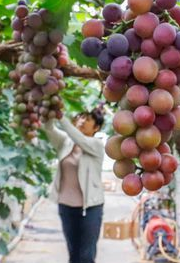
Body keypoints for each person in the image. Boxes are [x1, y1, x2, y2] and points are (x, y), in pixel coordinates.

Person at [43, 108, 106, 263]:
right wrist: (49, 111)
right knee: (73, 253)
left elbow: (81, 140)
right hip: (66, 205)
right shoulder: (65, 141)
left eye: (88, 120)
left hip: (91, 207)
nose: (82, 121)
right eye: (81, 117)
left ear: (96, 128)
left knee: (87, 255)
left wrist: (61, 117)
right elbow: (48, 128)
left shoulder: (96, 145)